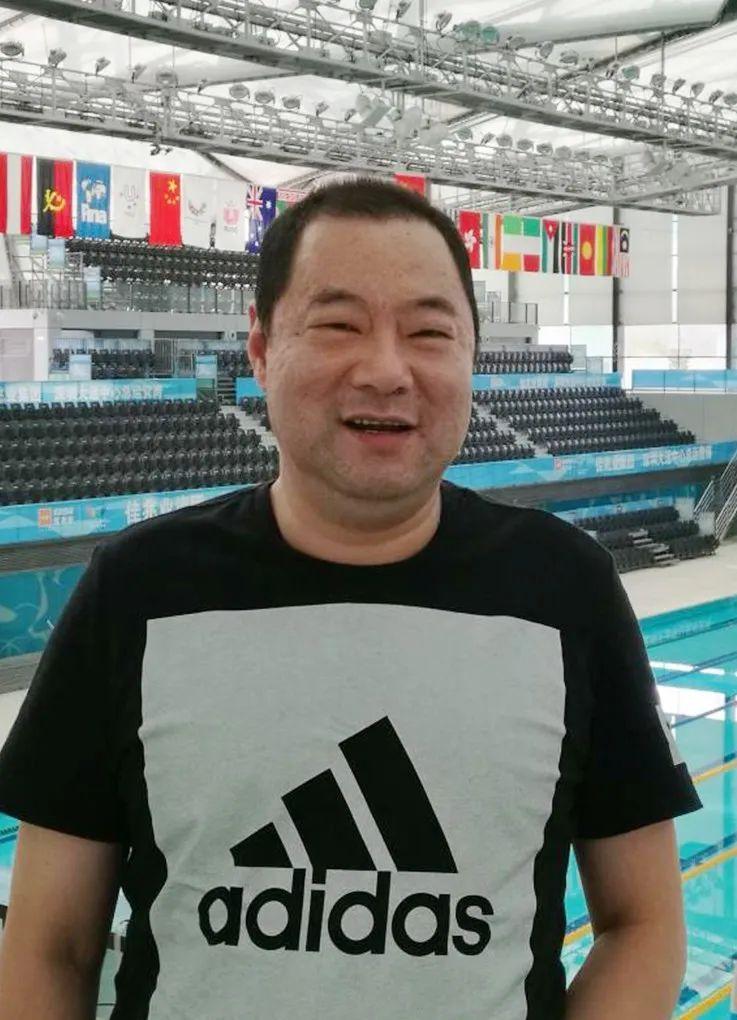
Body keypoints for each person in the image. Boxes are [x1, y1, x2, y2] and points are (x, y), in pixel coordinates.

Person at [0, 178, 702, 1020]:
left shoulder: (567, 590)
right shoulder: (136, 589)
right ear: (261, 350)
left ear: (471, 358)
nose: (385, 371)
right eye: (337, 325)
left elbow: (641, 924)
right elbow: (51, 946)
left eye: (429, 332)